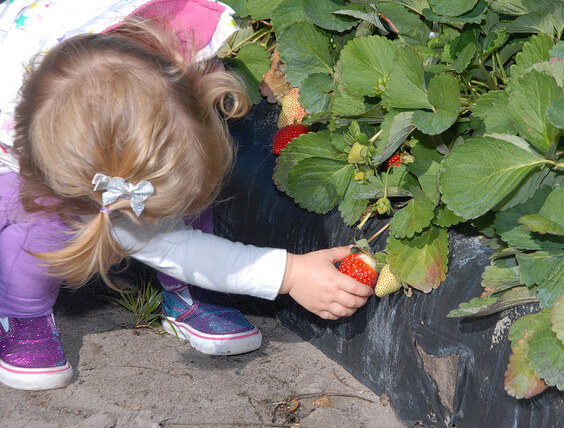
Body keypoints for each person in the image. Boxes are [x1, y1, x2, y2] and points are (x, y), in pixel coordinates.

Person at [0, 0, 372, 391]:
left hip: (80, 35)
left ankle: (184, 291)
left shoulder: (171, 59)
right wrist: (289, 274)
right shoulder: (47, 164)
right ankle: (21, 311)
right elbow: (177, 247)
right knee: (35, 217)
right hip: (22, 156)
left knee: (188, 182)